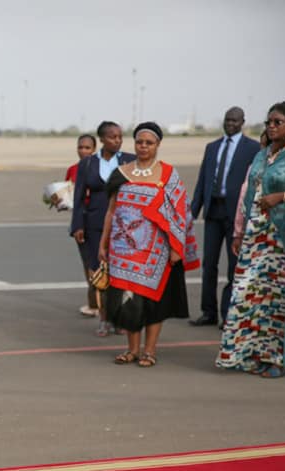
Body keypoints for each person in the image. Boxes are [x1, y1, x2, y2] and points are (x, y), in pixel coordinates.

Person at [217, 101, 285, 378]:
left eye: (278, 122)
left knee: (281, 301)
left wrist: (283, 196)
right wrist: (240, 232)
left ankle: (279, 359)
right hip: (257, 237)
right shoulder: (262, 155)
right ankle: (251, 354)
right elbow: (248, 194)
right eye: (268, 122)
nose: (271, 127)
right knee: (250, 295)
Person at [99, 122, 199, 368]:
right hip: (124, 249)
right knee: (128, 301)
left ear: (158, 145)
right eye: (139, 142)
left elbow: (181, 212)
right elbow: (111, 211)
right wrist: (103, 243)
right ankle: (132, 350)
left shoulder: (168, 175)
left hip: (157, 251)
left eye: (149, 143)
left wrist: (177, 247)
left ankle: (149, 351)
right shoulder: (121, 173)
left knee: (154, 303)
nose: (143, 146)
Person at [188, 107, 261, 329]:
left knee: (233, 266)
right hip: (213, 212)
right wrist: (192, 213)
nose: (230, 123)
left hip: (235, 215)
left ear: (242, 122)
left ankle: (228, 314)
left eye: (234, 120)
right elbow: (202, 181)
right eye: (227, 120)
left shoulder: (253, 148)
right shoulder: (212, 147)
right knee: (209, 264)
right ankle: (208, 312)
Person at [72, 121, 136, 336]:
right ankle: (104, 319)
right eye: (112, 137)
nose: (117, 141)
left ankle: (119, 319)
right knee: (100, 274)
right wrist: (78, 225)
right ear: (101, 139)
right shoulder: (88, 164)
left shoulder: (130, 161)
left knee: (120, 274)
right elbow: (78, 197)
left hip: (124, 225)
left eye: (119, 137)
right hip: (95, 226)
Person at [65, 134, 97, 316]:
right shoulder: (72, 170)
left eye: (87, 148)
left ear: (94, 149)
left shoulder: (100, 168)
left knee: (100, 263)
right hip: (80, 222)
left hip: (97, 219)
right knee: (87, 263)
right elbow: (71, 197)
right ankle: (94, 303)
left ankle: (102, 304)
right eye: (80, 147)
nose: (83, 151)